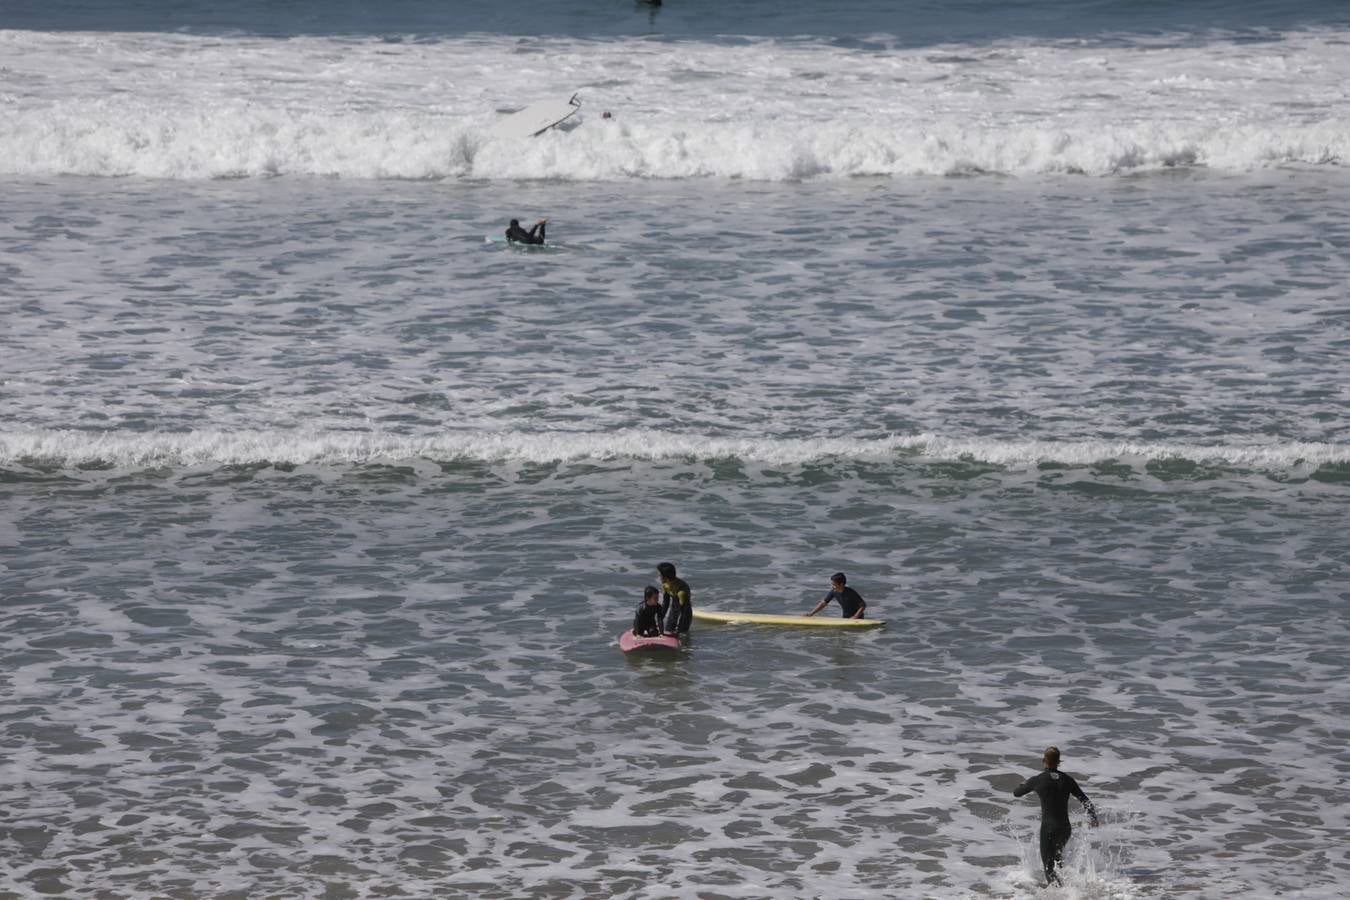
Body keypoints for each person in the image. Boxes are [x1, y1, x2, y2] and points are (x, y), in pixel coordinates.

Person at [1012, 745, 1100, 886]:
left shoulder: (1038, 779)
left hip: (1049, 828)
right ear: (1059, 761)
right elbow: (1085, 800)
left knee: (1049, 868)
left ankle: (1060, 894)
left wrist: (1025, 783)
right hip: (1065, 829)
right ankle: (1069, 892)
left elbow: (1016, 793)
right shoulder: (1067, 780)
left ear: (1044, 760)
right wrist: (1093, 818)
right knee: (1058, 861)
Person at [656, 562, 692, 635]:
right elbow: (666, 603)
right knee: (668, 629)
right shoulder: (665, 584)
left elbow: (683, 613)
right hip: (675, 606)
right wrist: (659, 619)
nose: (659, 575)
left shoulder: (682, 591)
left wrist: (678, 630)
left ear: (666, 577)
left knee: (682, 634)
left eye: (660, 574)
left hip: (685, 610)